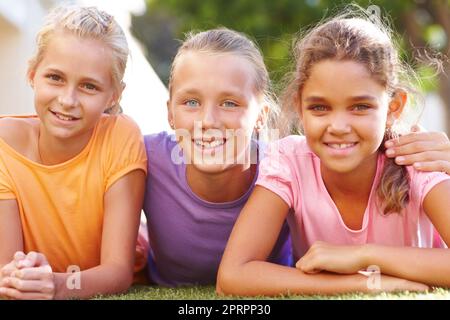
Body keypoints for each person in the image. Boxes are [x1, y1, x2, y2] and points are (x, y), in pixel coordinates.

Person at [217, 13, 450, 296]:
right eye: (319, 108)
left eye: (360, 107)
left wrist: (365, 255)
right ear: (299, 107)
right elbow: (233, 275)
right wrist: (362, 283)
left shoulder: (417, 158)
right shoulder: (289, 161)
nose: (338, 127)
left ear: (393, 108)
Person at [0, 6, 147, 299]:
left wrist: (58, 285)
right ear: (32, 74)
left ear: (113, 96)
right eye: (54, 77)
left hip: (125, 263)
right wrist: (24, 275)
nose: (67, 100)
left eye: (89, 86)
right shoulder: (4, 148)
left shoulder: (121, 136)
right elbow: (7, 269)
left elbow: (118, 271)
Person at [142, 28, 292, 287]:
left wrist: (388, 145)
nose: (208, 121)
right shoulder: (146, 157)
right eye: (191, 102)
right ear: (170, 113)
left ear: (261, 116)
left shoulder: (287, 168)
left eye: (230, 103)